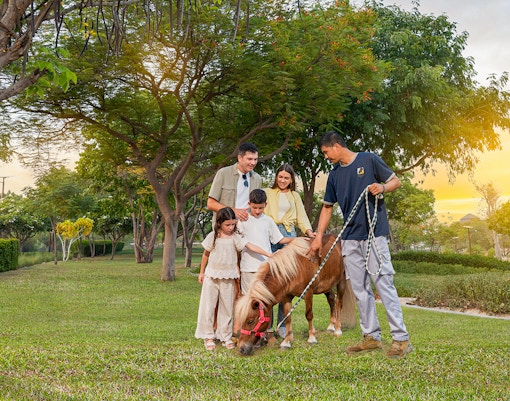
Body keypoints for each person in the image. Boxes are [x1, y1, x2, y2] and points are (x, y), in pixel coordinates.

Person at [308, 131, 412, 359]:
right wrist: (318, 237)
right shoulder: (334, 175)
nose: (326, 157)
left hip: (375, 235)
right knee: (360, 289)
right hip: (350, 239)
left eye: (326, 152)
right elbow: (327, 207)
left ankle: (401, 339)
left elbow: (396, 181)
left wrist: (382, 188)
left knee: (383, 284)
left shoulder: (368, 159)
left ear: (336, 146)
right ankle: (371, 337)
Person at [195, 207, 273, 351]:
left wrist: (268, 254)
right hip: (211, 276)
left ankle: (225, 336)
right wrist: (201, 272)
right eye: (228, 225)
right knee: (209, 306)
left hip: (229, 277)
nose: (231, 227)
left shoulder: (236, 237)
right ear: (219, 223)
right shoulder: (212, 236)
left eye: (233, 224)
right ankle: (208, 336)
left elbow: (250, 246)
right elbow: (205, 255)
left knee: (227, 307)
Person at [264, 163, 316, 336]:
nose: (283, 180)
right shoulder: (267, 192)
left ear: (291, 180)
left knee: (286, 280)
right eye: (280, 177)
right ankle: (267, 325)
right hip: (270, 232)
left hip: (289, 233)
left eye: (287, 178)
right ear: (276, 177)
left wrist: (309, 232)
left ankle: (282, 324)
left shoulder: (295, 196)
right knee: (270, 279)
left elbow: (301, 216)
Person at [237, 189, 293, 295]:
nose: (257, 211)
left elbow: (280, 239)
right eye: (254, 208)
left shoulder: (268, 221)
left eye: (261, 208)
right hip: (248, 268)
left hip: (265, 267)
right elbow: (246, 246)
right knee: (249, 300)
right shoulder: (243, 221)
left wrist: (298, 239)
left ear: (265, 205)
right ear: (249, 204)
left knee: (265, 299)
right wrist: (269, 254)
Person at [207, 142, 262, 224]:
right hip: (225, 226)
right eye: (249, 159)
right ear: (240, 158)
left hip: (248, 226)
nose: (253, 163)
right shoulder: (223, 173)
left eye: (255, 159)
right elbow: (211, 204)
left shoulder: (257, 178)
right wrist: (234, 211)